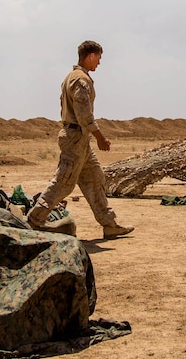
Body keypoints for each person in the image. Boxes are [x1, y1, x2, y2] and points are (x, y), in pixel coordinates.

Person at [27, 40, 134, 239]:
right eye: (99, 58)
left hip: (80, 139)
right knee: (64, 182)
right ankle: (34, 219)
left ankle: (109, 224)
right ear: (90, 56)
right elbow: (83, 113)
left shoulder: (72, 76)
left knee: (95, 178)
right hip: (76, 137)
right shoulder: (80, 80)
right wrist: (100, 137)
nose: (99, 63)